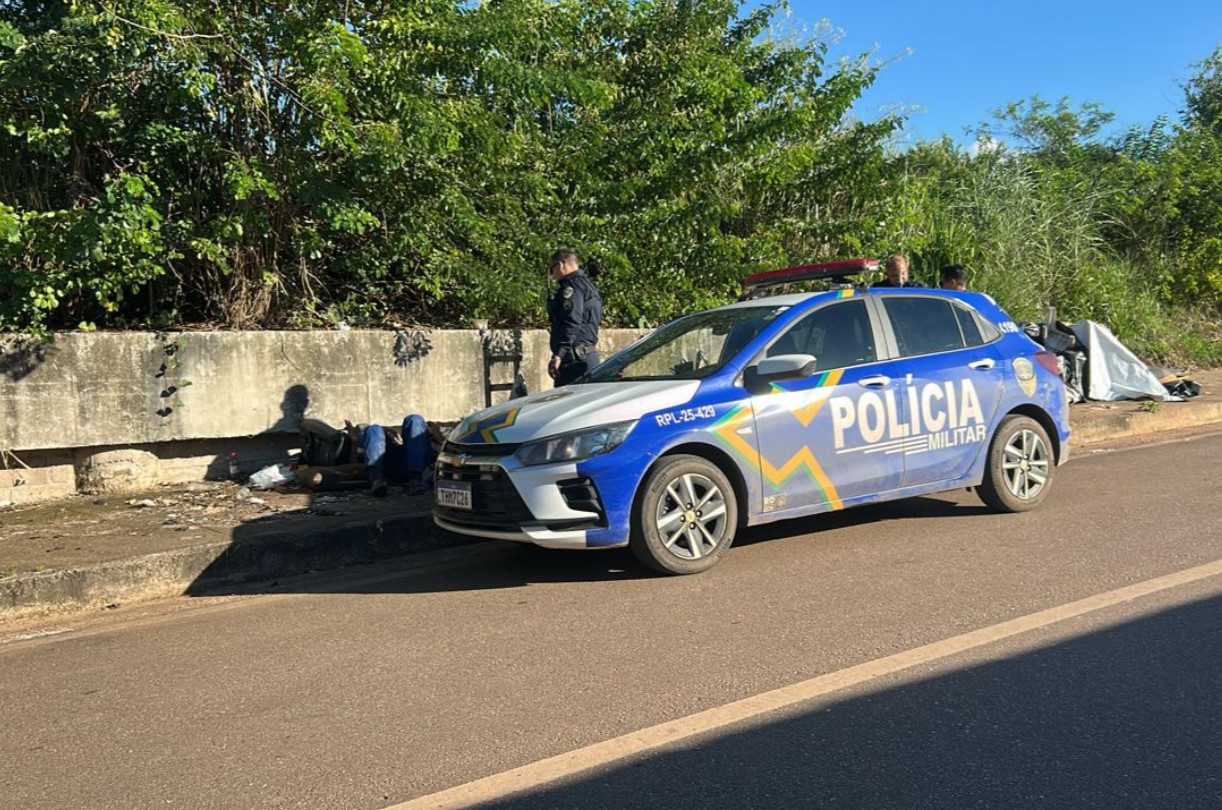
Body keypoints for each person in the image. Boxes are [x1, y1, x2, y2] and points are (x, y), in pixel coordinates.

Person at [546, 247, 603, 386]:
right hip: (585, 357)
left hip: (574, 362)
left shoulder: (571, 287)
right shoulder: (586, 285)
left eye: (551, 270)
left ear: (560, 265)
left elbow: (571, 321)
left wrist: (559, 354)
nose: (552, 275)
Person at [362, 414, 439, 497]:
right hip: (394, 460)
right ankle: (377, 480)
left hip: (419, 458)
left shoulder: (440, 431)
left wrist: (436, 434)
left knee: (415, 419)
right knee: (373, 429)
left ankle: (416, 479)